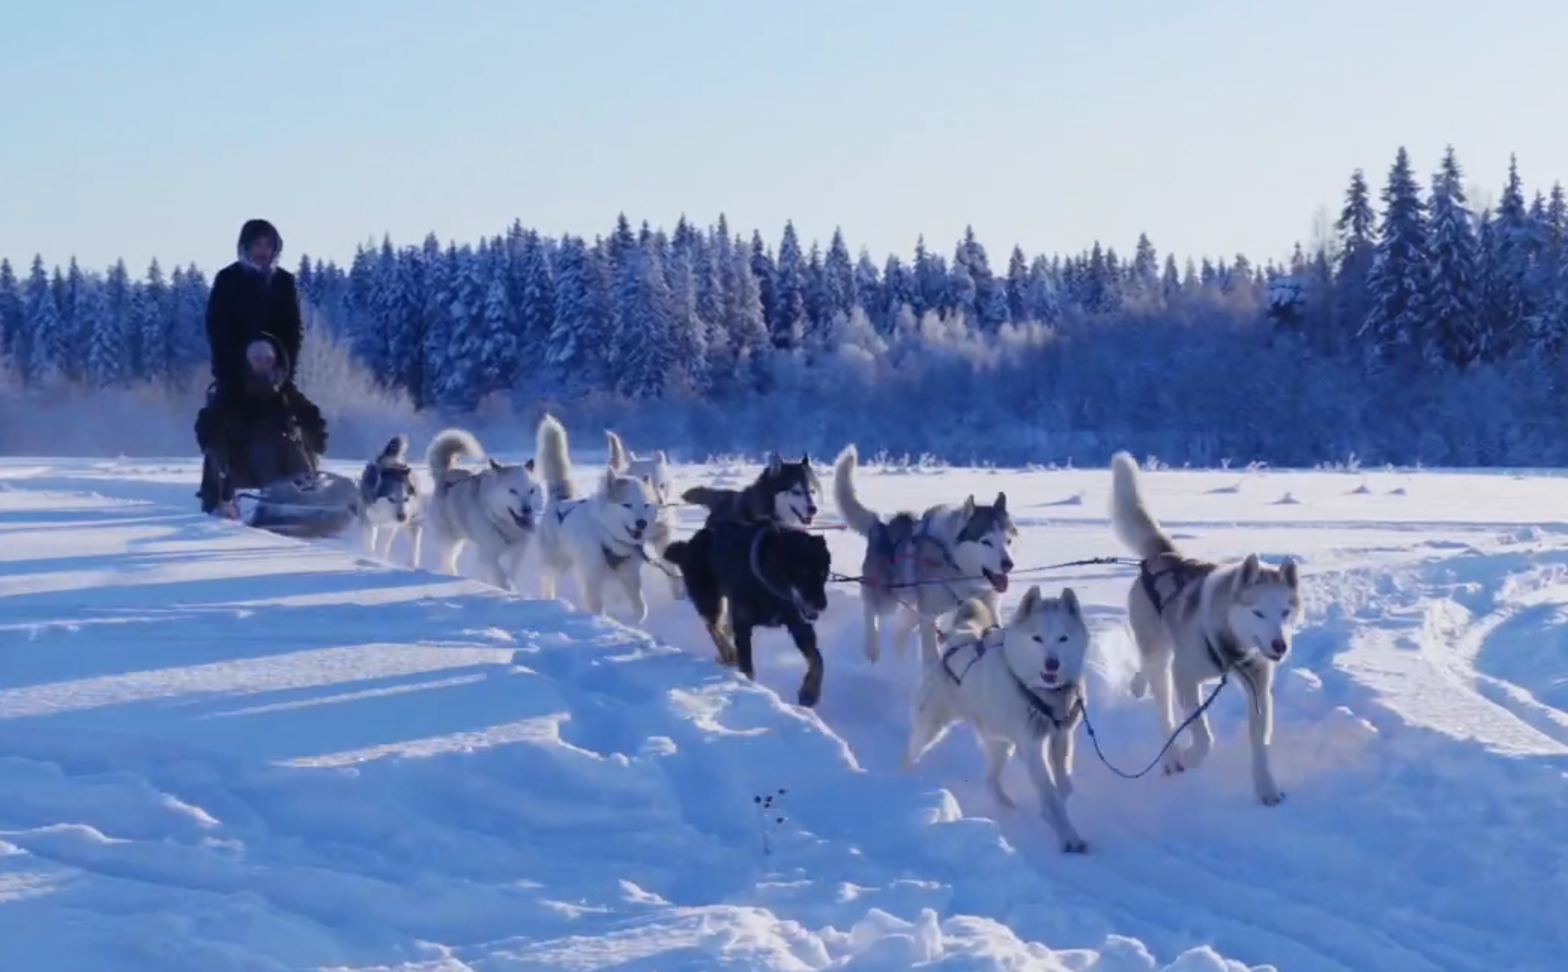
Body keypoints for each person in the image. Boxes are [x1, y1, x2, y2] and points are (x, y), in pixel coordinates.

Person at [196, 219, 328, 514]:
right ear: (245, 247)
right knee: (222, 426)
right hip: (235, 372)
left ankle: (306, 484)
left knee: (295, 424)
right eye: (257, 244)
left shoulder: (283, 282)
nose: (263, 251)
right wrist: (234, 367)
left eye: (268, 245)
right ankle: (218, 493)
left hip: (276, 371)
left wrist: (283, 368)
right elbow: (217, 328)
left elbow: (293, 330)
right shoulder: (228, 279)